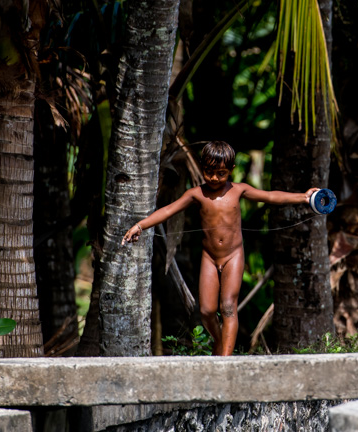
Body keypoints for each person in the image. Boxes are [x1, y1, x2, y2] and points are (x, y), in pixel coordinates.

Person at [121, 140, 318, 356]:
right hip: (209, 257)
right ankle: (219, 340)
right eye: (209, 172)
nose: (214, 178)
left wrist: (304, 197)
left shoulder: (239, 190)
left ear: (231, 170)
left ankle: (225, 360)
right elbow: (168, 210)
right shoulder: (196, 194)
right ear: (202, 167)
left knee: (227, 307)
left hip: (233, 256)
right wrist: (141, 225)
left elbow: (270, 196)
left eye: (221, 173)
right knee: (206, 311)